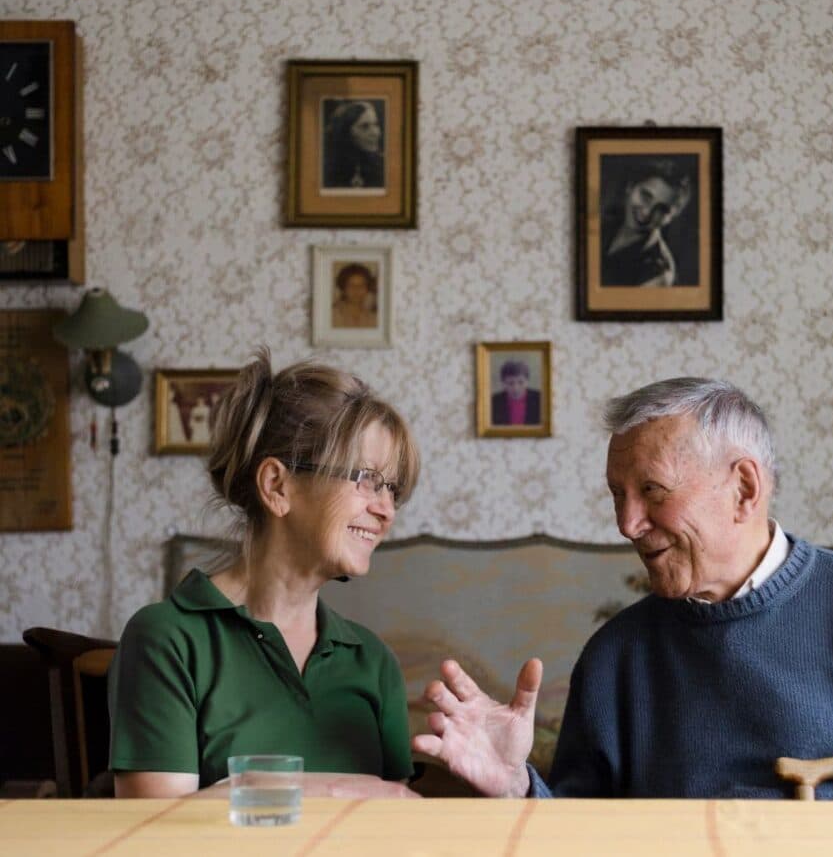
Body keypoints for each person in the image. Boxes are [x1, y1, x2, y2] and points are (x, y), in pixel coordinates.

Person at [413, 378, 833, 816]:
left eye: (651, 491)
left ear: (744, 488)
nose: (626, 523)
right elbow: (577, 833)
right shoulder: (618, 655)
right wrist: (517, 785)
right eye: (617, 494)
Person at [109, 350, 420, 799]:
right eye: (367, 479)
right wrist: (334, 789)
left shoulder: (372, 661)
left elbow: (393, 824)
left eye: (392, 489)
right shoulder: (166, 639)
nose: (386, 510)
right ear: (277, 485)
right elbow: (154, 832)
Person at [600, 158, 694, 287]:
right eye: (646, 196)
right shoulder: (603, 220)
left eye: (661, 209)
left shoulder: (657, 275)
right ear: (630, 186)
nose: (647, 213)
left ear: (671, 218)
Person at [323, 100, 385, 189]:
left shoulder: (381, 165)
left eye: (376, 124)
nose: (376, 133)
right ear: (346, 132)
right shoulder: (331, 170)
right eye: (365, 126)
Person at [491, 360, 541, 426]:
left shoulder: (540, 399)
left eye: (521, 382)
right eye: (510, 383)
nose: (516, 388)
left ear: (527, 381)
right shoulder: (493, 402)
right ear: (503, 383)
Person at [332, 263, 378, 329]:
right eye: (351, 285)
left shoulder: (374, 319)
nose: (356, 290)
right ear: (343, 289)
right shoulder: (332, 315)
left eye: (361, 285)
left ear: (368, 289)